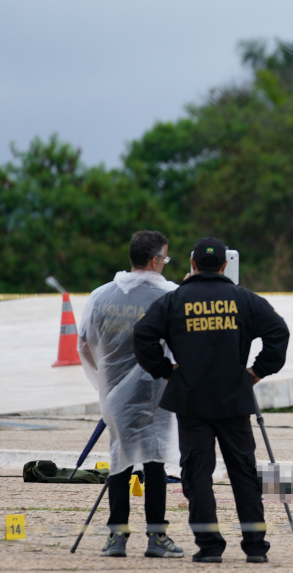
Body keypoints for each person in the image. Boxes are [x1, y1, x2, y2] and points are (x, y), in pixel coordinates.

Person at [133, 238, 290, 564]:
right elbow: (279, 332)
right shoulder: (243, 299)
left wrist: (165, 370)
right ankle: (256, 548)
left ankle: (209, 546)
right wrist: (256, 373)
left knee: (198, 475)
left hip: (191, 402)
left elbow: (143, 334)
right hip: (235, 399)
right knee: (244, 474)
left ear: (192, 265)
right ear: (223, 266)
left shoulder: (174, 300)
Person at [78, 230, 184, 558]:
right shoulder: (172, 296)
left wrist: (105, 381)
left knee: (119, 462)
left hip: (115, 395)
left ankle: (117, 537)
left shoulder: (101, 295)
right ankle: (156, 537)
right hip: (159, 390)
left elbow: (84, 343)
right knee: (154, 462)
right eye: (164, 259)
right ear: (155, 260)